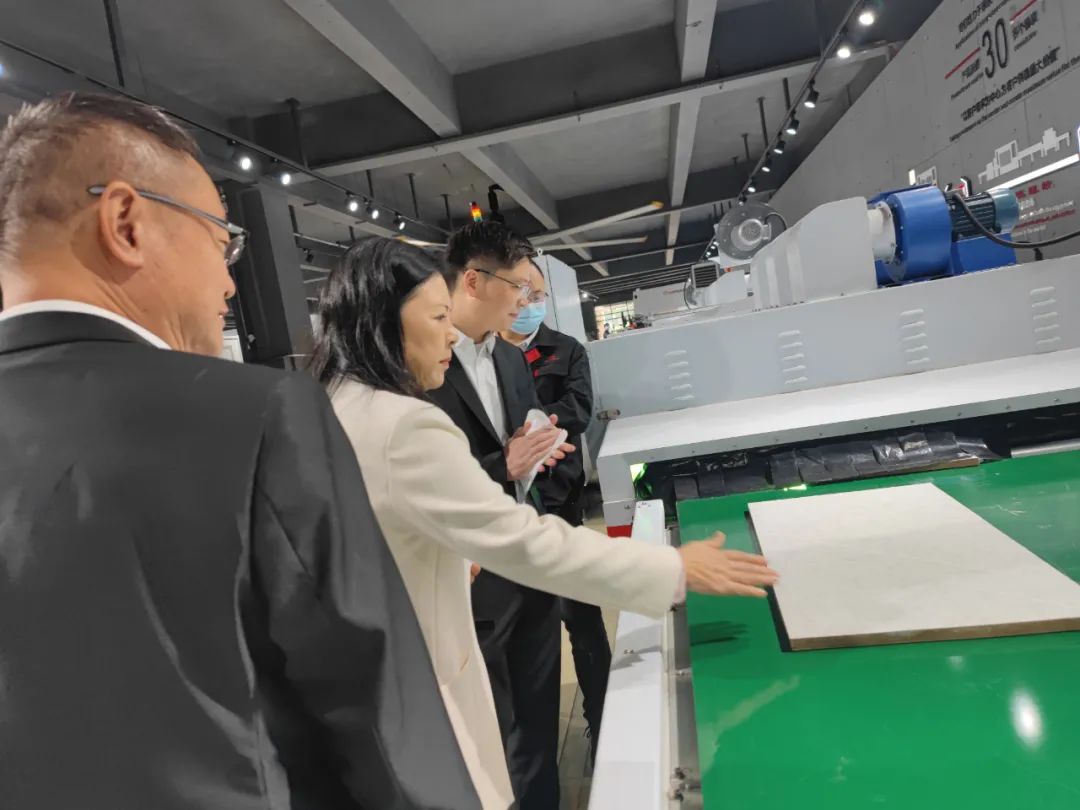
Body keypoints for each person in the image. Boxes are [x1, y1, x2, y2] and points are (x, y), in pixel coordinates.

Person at [0, 92, 480, 810]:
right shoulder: (255, 414)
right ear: (125, 222)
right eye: (221, 240)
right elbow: (379, 716)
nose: (229, 280)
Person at [314, 236, 779, 810]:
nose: (449, 334)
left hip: (413, 641)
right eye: (436, 318)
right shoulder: (403, 421)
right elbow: (520, 540)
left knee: (530, 737)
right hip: (441, 642)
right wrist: (672, 567)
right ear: (387, 322)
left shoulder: (333, 404)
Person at [500, 261, 610, 764]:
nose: (532, 304)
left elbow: (579, 409)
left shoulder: (565, 350)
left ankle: (601, 722)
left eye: (539, 295)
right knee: (525, 629)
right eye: (525, 294)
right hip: (508, 507)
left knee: (582, 620)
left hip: (560, 502)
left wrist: (536, 428)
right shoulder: (489, 358)